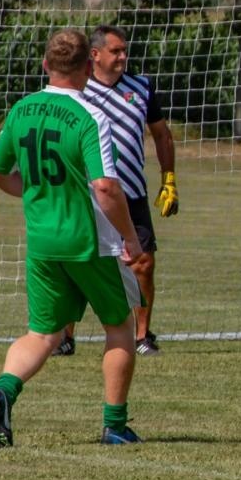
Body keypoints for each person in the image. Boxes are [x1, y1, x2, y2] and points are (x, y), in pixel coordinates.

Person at [0, 28, 150, 447]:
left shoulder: (22, 110)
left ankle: (4, 390)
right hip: (88, 240)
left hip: (42, 242)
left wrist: (37, 193)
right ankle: (115, 425)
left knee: (43, 334)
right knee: (120, 325)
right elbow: (106, 188)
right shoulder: (89, 116)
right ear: (86, 69)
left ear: (45, 65)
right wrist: (130, 238)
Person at [57, 25, 177, 357]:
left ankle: (142, 337)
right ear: (94, 55)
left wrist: (169, 180)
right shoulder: (77, 90)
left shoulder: (141, 86)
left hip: (131, 192)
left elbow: (162, 135)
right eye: (116, 51)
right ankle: (65, 337)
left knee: (142, 263)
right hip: (87, 194)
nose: (123, 56)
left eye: (125, 50)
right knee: (76, 264)